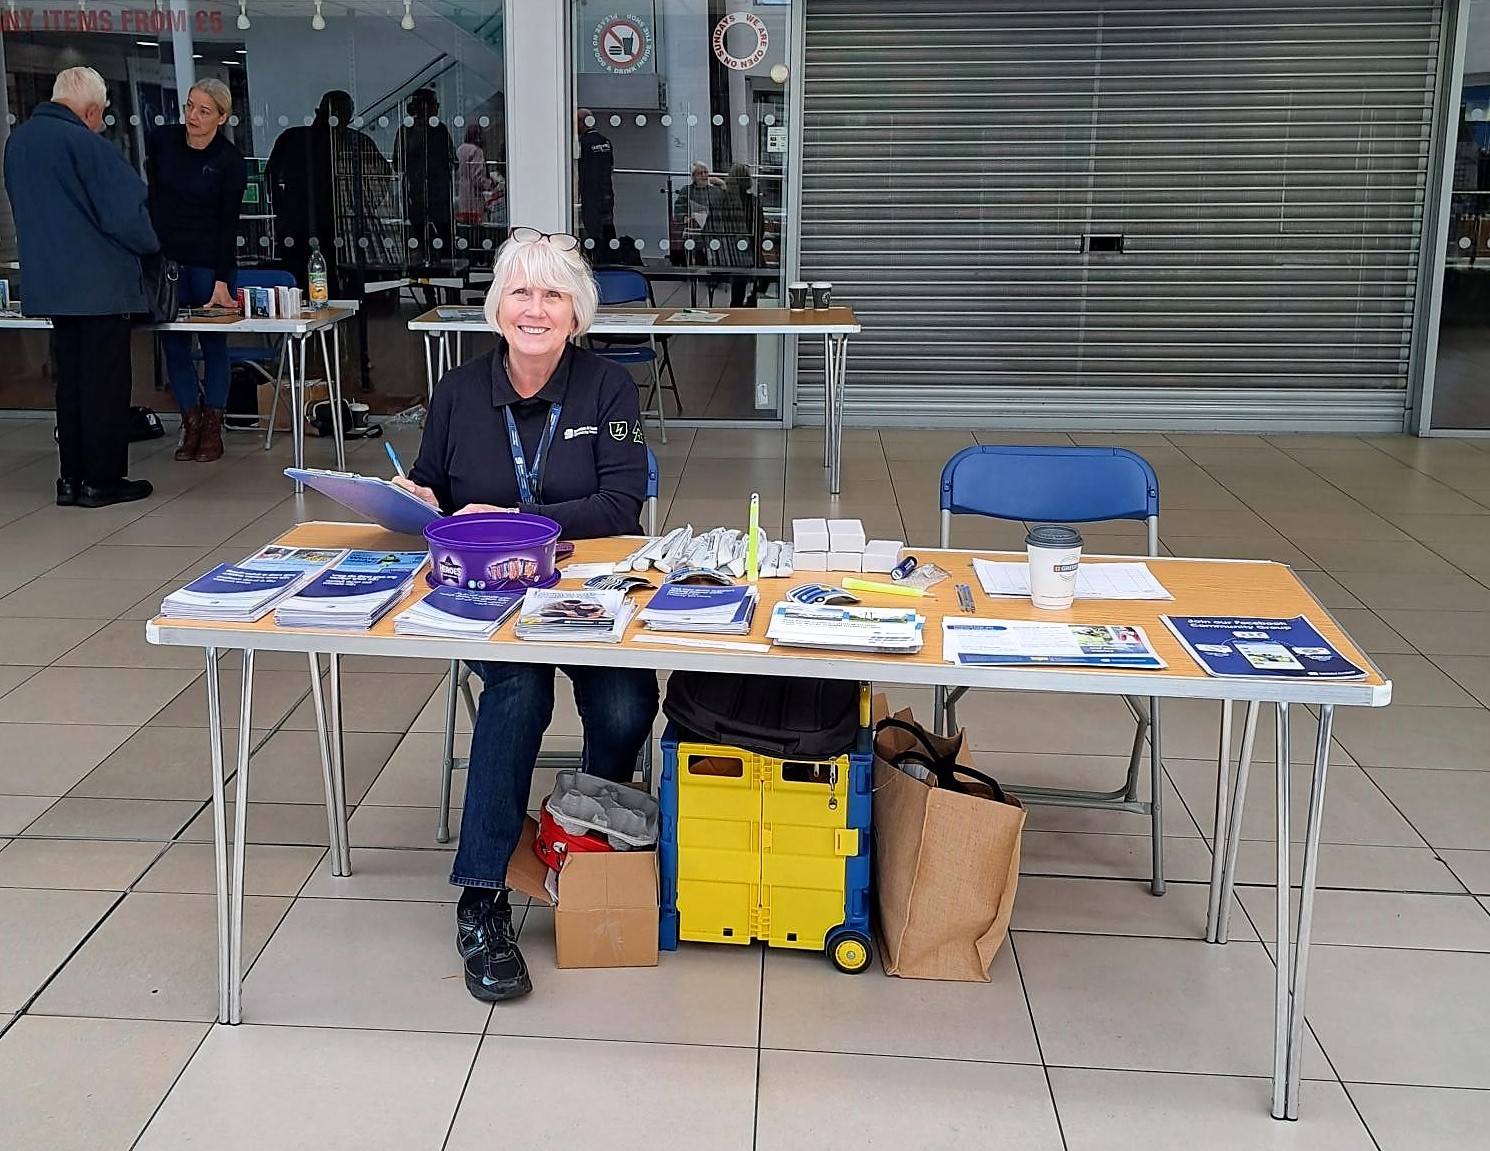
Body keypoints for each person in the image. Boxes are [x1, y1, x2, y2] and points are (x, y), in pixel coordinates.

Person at [393, 228, 656, 1002]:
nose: (534, 309)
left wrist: (511, 510)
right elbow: (432, 487)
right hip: (490, 595)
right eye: (520, 292)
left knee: (624, 698)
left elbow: (620, 505)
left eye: (552, 294)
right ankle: (481, 897)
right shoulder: (459, 391)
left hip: (586, 591)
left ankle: (588, 831)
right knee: (519, 692)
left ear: (576, 313)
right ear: (496, 307)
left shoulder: (607, 387)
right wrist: (415, 498)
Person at [2, 65, 159, 508]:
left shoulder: (20, 142)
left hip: (51, 284)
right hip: (99, 286)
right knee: (104, 387)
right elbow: (127, 216)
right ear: (91, 110)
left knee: (68, 385)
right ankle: (103, 481)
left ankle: (69, 479)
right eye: (102, 114)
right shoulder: (85, 144)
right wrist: (153, 245)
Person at [146, 78, 247, 463]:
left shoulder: (228, 161)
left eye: (204, 111)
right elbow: (153, 198)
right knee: (173, 344)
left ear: (221, 117)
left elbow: (228, 224)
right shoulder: (163, 142)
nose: (192, 117)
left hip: (210, 261)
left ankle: (212, 427)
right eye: (189, 107)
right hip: (168, 260)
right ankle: (189, 423)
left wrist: (222, 280)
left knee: (213, 344)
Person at [266, 89, 393, 295]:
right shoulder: (352, 142)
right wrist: (355, 208)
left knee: (302, 283)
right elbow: (381, 177)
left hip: (304, 223)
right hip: (328, 224)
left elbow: (272, 179)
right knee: (330, 281)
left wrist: (283, 212)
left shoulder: (293, 138)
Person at [395, 88, 455, 263]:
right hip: (421, 192)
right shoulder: (411, 131)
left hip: (430, 192)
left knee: (437, 236)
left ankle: (438, 268)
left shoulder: (437, 130)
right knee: (427, 236)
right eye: (434, 104)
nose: (437, 108)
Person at [575, 108, 615, 256]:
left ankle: (596, 261)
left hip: (591, 194)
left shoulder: (582, 144)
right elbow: (610, 167)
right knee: (607, 228)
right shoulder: (605, 141)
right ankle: (610, 258)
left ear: (581, 123)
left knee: (593, 234)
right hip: (607, 192)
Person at [455, 123, 505, 238]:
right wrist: (491, 183)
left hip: (463, 194)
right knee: (477, 231)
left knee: (465, 230)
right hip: (474, 196)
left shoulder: (460, 149)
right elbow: (477, 178)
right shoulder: (476, 151)